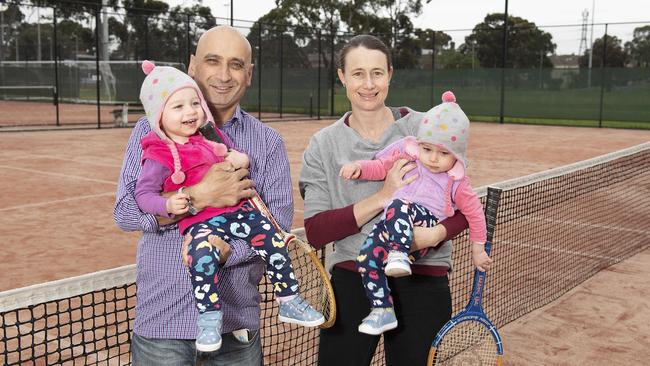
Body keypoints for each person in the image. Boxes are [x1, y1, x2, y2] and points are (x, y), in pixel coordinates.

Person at [114, 25, 292, 365]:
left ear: (249, 74)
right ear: (192, 66)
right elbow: (125, 212)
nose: (224, 75)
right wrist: (197, 197)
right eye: (213, 61)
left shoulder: (268, 143)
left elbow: (278, 227)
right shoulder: (149, 132)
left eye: (236, 64)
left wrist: (225, 251)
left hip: (235, 327)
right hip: (162, 324)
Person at [299, 34, 473, 366]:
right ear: (342, 77)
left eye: (377, 73)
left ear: (390, 74)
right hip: (353, 277)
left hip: (423, 277)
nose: (368, 83)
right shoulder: (323, 145)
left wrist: (434, 235)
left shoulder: (425, 126)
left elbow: (464, 203)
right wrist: (383, 197)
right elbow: (317, 231)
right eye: (358, 73)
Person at [132, 61, 324, 353]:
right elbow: (142, 196)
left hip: (237, 216)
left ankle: (289, 300)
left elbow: (234, 155)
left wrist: (239, 159)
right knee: (201, 257)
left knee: (273, 237)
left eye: (194, 103)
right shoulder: (157, 151)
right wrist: (171, 202)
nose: (190, 112)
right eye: (178, 107)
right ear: (158, 116)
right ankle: (209, 321)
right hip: (201, 226)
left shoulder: (208, 138)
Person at [339, 91, 491, 335]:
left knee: (400, 204)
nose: (432, 159)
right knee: (366, 257)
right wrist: (359, 168)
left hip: (425, 227)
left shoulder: (457, 181)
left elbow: (474, 213)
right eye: (427, 149)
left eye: (443, 154)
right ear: (418, 143)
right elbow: (380, 167)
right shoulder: (407, 154)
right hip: (393, 225)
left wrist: (478, 248)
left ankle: (398, 254)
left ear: (457, 155)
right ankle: (382, 310)